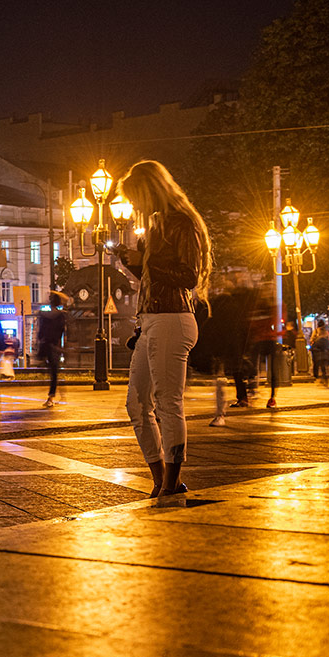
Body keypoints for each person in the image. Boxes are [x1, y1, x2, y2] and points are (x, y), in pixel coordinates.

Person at [117, 160, 213, 502]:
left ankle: (172, 480)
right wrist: (131, 260)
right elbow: (151, 276)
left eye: (135, 198)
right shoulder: (156, 226)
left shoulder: (181, 223)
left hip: (174, 318)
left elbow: (188, 276)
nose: (135, 207)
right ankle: (159, 476)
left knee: (167, 402)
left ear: (149, 191)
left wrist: (147, 261)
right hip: (151, 320)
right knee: (136, 403)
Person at [37, 292, 67, 407]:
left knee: (52, 371)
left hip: (45, 345)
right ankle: (52, 395)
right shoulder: (61, 316)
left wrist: (40, 340)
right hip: (54, 346)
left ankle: (53, 395)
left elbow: (41, 332)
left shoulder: (44, 315)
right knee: (54, 372)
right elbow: (61, 332)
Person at [309, 320, 329, 390]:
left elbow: (311, 340)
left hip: (317, 351)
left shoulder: (316, 331)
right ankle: (324, 377)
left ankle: (316, 377)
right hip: (324, 351)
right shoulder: (326, 331)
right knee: (323, 366)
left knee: (316, 364)